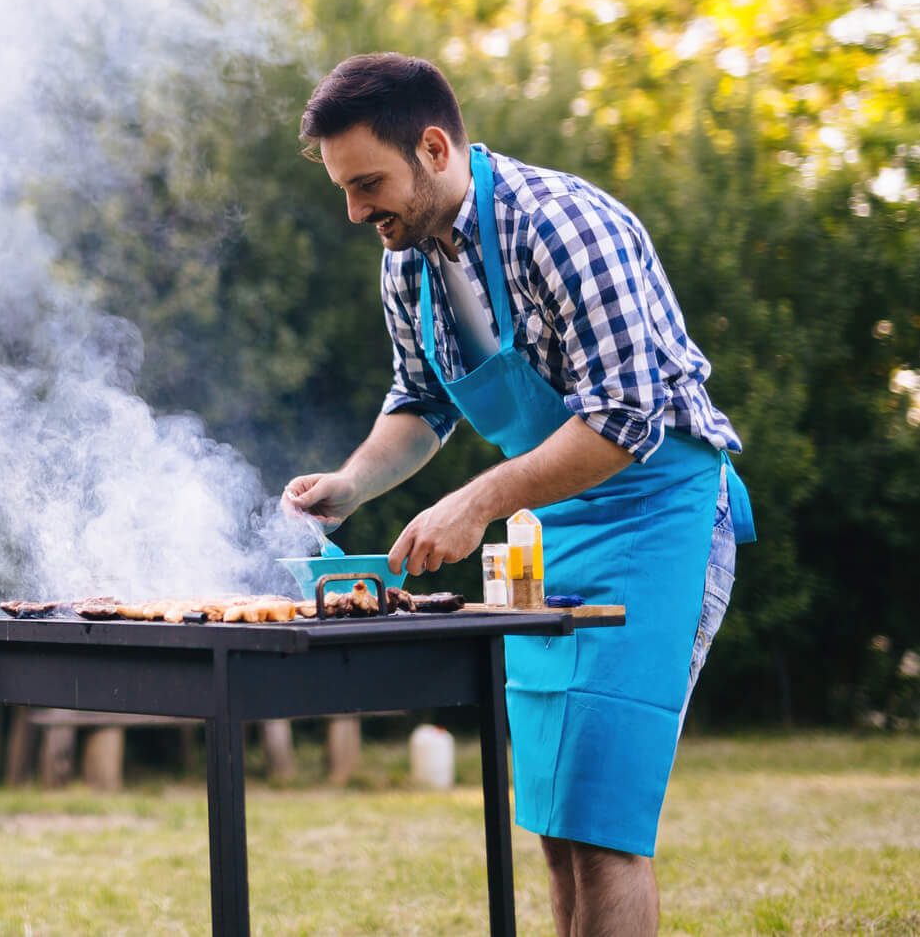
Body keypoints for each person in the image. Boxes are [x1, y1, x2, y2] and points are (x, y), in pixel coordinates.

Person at [282, 53, 755, 937]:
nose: (355, 211)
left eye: (368, 183)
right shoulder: (406, 262)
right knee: (554, 827)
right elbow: (418, 406)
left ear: (432, 147)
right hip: (544, 538)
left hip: (659, 519)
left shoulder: (563, 226)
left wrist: (477, 502)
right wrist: (349, 484)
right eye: (343, 189)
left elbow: (622, 418)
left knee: (604, 830)